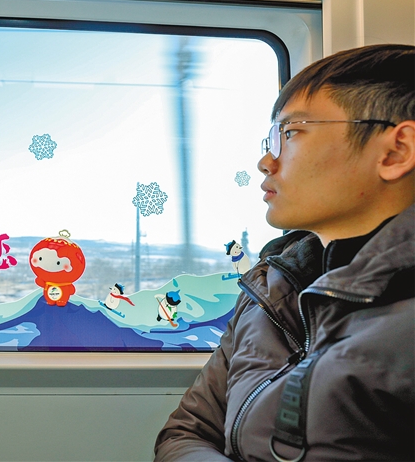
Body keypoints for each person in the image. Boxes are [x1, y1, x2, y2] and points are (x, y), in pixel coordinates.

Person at [154, 44, 414, 461]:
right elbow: (187, 432)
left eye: (290, 133)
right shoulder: (268, 288)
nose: (265, 161)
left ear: (395, 151)